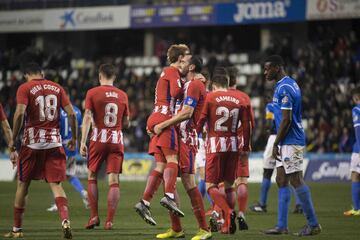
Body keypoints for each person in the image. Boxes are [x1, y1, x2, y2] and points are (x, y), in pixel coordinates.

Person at [4, 62, 77, 239]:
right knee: (56, 185)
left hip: (32, 144)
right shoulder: (57, 87)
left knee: (23, 185)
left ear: (26, 74)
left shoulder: (25, 87)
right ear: (42, 73)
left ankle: (17, 230)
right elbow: (72, 114)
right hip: (54, 142)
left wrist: (13, 139)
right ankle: (65, 220)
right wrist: (74, 138)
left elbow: (20, 113)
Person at [153, 56, 211, 240]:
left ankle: (205, 229)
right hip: (177, 136)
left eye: (184, 63)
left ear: (192, 66)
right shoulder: (188, 84)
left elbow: (187, 113)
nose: (180, 66)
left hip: (187, 138)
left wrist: (163, 125)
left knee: (188, 183)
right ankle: (176, 229)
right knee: (168, 179)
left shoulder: (195, 85)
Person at [262, 55, 321, 236]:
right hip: (287, 140)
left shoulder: (285, 88)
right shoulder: (285, 84)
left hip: (291, 140)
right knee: (281, 179)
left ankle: (313, 225)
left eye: (268, 69)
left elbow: (286, 120)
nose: (265, 73)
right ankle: (282, 226)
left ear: (278, 68)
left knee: (296, 179)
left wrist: (276, 143)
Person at [134, 44, 191, 225]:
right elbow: (176, 92)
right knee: (173, 160)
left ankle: (144, 202)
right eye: (185, 57)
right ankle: (168, 196)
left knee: (160, 165)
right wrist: (189, 86)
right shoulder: (172, 71)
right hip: (165, 118)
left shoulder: (165, 72)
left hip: (154, 116)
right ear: (180, 58)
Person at [197, 74, 251, 234]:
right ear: (227, 84)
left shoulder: (211, 97)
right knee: (229, 185)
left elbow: (201, 121)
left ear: (213, 86)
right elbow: (247, 125)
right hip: (234, 145)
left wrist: (196, 135)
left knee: (210, 186)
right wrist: (246, 146)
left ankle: (227, 212)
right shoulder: (239, 99)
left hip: (215, 145)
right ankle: (228, 223)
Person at [80, 63, 129, 230]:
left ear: (100, 76)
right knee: (114, 180)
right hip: (116, 139)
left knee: (92, 175)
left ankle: (94, 217)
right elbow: (127, 122)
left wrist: (82, 141)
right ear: (114, 77)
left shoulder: (92, 93)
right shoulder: (123, 95)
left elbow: (87, 117)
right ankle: (109, 221)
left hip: (98, 138)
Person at [227, 66, 254, 231]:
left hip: (224, 145)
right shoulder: (244, 97)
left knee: (227, 183)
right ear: (237, 79)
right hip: (241, 143)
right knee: (242, 181)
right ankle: (242, 213)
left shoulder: (218, 96)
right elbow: (250, 123)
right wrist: (248, 142)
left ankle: (228, 212)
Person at [47, 105, 89, 211]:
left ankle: (58, 204)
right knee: (70, 175)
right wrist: (77, 144)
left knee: (56, 177)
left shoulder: (58, 111)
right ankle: (83, 193)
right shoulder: (77, 111)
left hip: (60, 147)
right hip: (72, 147)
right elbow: (79, 130)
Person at [344, 87, 360, 216]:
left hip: (358, 149)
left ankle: (357, 208)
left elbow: (358, 130)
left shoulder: (356, 109)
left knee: (355, 175)